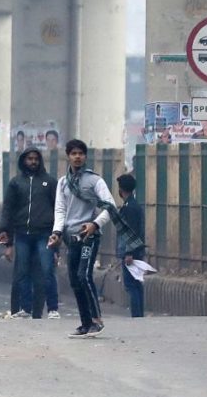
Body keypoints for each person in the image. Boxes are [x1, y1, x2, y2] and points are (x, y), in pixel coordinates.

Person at [49, 139, 115, 338]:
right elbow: (60, 210)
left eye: (81, 153)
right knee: (74, 280)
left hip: (89, 236)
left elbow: (110, 206)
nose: (77, 157)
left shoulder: (95, 181)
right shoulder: (62, 183)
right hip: (71, 237)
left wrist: (95, 224)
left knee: (84, 276)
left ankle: (97, 320)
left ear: (85, 156)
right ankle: (85, 323)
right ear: (68, 157)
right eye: (73, 153)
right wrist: (57, 233)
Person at [0, 147, 60, 319]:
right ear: (23, 161)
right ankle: (25, 308)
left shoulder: (50, 182)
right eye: (29, 158)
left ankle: (53, 309)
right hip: (22, 234)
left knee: (48, 270)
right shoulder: (16, 183)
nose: (33, 162)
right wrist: (7, 242)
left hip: (44, 234)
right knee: (22, 272)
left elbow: (58, 210)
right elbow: (8, 211)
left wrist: (57, 245)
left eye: (36, 159)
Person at [116, 174, 146, 318]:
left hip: (131, 252)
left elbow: (130, 231)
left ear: (121, 189)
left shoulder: (129, 208)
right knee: (137, 284)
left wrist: (129, 253)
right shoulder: (134, 205)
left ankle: (137, 316)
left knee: (131, 285)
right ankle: (139, 315)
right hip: (137, 250)